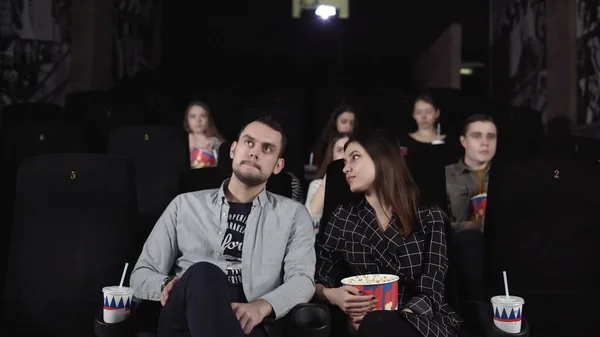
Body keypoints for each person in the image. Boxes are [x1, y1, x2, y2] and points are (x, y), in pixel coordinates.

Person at [130, 117, 317, 337]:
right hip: (186, 321)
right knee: (204, 273)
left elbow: (303, 280)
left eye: (267, 148)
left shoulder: (294, 214)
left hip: (252, 323)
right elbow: (140, 275)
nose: (254, 152)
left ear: (278, 165)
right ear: (233, 150)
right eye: (249, 143)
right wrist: (167, 284)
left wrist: (262, 305)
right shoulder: (184, 205)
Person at [314, 131, 462, 337]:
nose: (346, 167)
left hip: (422, 321)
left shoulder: (429, 216)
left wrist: (391, 321)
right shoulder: (343, 217)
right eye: (344, 160)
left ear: (382, 158)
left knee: (379, 324)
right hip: (362, 321)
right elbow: (319, 277)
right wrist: (333, 295)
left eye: (355, 157)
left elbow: (432, 284)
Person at [445, 114, 498, 233]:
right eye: (476, 136)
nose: (485, 142)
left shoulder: (511, 177)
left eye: (491, 136)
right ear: (463, 141)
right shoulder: (446, 175)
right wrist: (473, 226)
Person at [305, 133, 350, 222]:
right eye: (340, 150)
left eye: (348, 150)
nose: (345, 154)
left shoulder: (360, 186)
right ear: (332, 155)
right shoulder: (316, 185)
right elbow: (310, 218)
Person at [184, 101, 225, 169]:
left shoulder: (215, 143)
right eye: (193, 116)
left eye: (203, 116)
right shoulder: (180, 141)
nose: (198, 120)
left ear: (209, 119)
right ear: (187, 119)